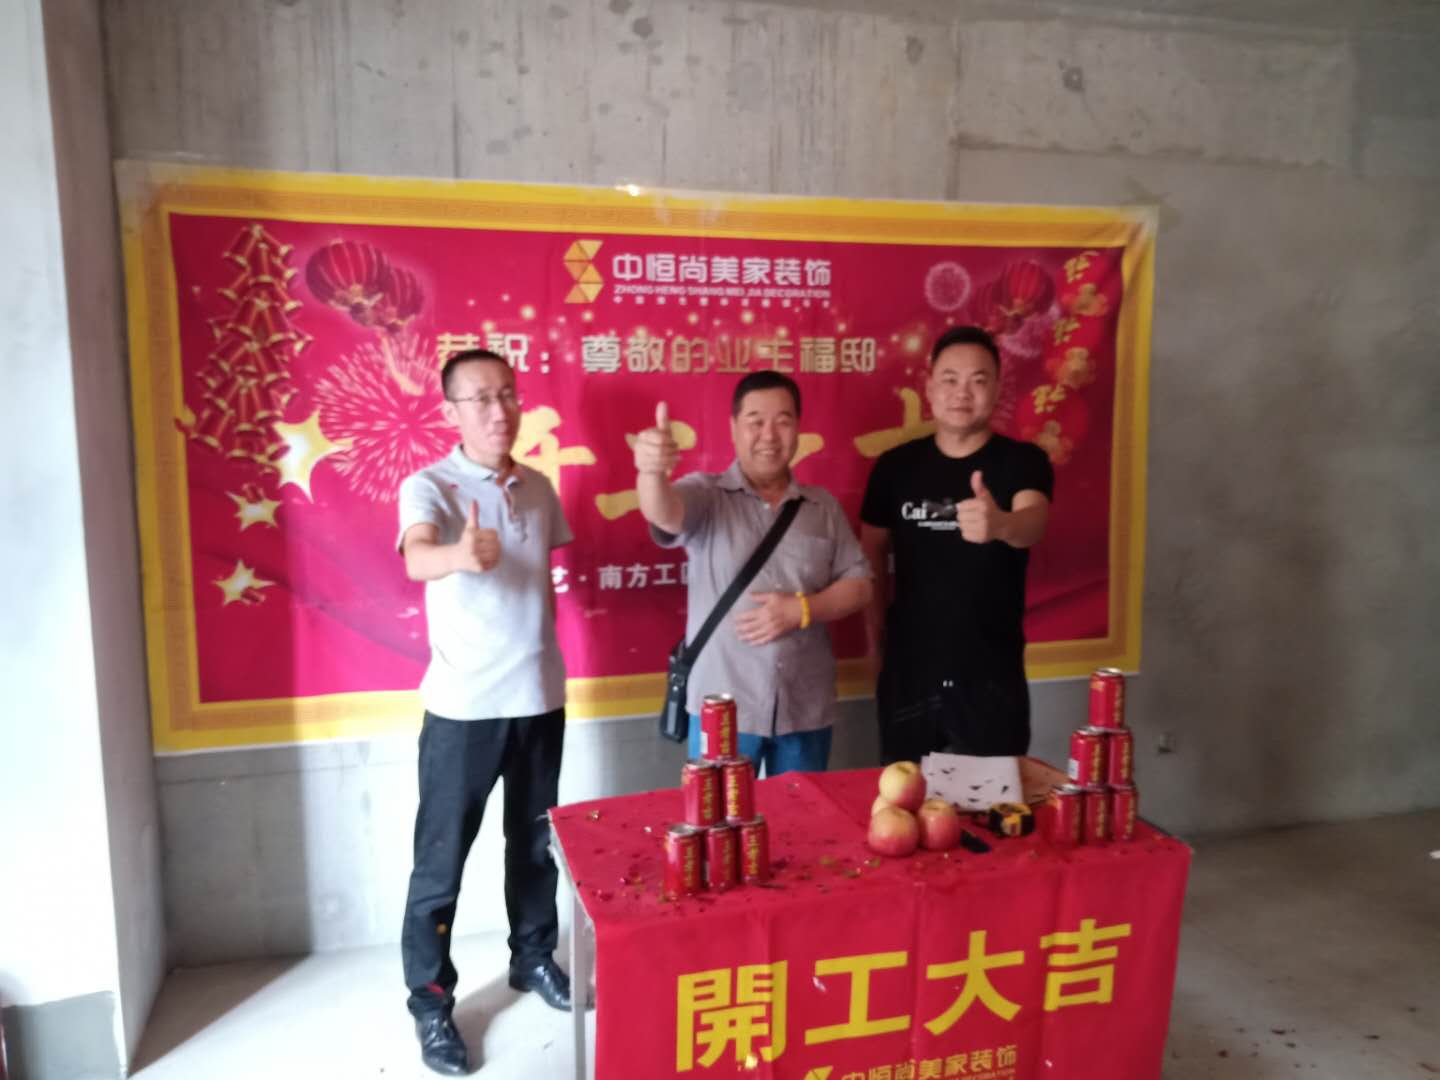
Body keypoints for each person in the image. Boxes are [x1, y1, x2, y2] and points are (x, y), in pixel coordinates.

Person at [396, 349, 573, 1077]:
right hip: (464, 711)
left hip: (540, 700)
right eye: (480, 398)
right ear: (451, 412)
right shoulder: (429, 486)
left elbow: (544, 580)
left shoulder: (539, 487)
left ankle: (533, 958)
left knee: (534, 849)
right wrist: (459, 555)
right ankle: (431, 1001)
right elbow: (416, 557)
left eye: (508, 395)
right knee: (440, 866)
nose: (499, 411)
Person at [634, 371, 873, 775]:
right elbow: (665, 512)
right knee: (718, 815)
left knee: (803, 815)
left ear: (798, 429)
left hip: (804, 705)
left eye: (783, 421)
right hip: (723, 709)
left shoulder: (822, 508)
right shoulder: (707, 495)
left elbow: (861, 585)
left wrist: (803, 609)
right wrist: (650, 472)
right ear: (733, 428)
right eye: (755, 421)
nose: (769, 435)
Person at [860, 326, 1053, 764]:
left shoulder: (1023, 462)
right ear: (929, 387)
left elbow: (1034, 521)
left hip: (990, 677)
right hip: (909, 674)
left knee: (992, 801)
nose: (962, 392)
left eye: (978, 380)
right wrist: (875, 646)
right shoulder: (894, 467)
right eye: (950, 379)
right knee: (904, 796)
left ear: (998, 389)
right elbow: (871, 554)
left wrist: (1001, 524)